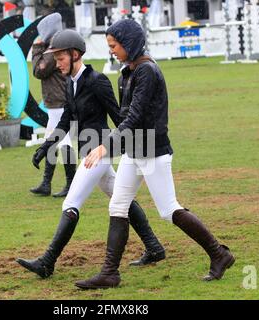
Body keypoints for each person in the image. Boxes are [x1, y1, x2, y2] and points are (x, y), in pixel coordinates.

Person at [75, 19, 235, 289]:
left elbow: (134, 118)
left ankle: (219, 254)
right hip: (134, 151)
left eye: (114, 45)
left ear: (129, 43)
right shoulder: (127, 73)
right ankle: (109, 273)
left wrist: (105, 146)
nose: (111, 50)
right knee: (118, 205)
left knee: (168, 209)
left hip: (153, 151)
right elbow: (125, 117)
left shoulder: (147, 72)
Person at [16, 29, 166, 279]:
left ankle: (47, 261)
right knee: (119, 195)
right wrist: (45, 147)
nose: (57, 64)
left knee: (71, 202)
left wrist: (117, 144)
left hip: (98, 151)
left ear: (75, 55)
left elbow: (120, 116)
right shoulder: (69, 83)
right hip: (88, 150)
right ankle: (154, 246)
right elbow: (65, 120)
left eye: (61, 58)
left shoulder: (97, 81)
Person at [30, 13, 76, 197]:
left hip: (58, 103)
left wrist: (37, 46)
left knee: (62, 141)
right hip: (57, 102)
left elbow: (38, 71)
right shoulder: (58, 47)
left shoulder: (52, 51)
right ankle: (46, 183)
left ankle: (71, 184)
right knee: (50, 141)